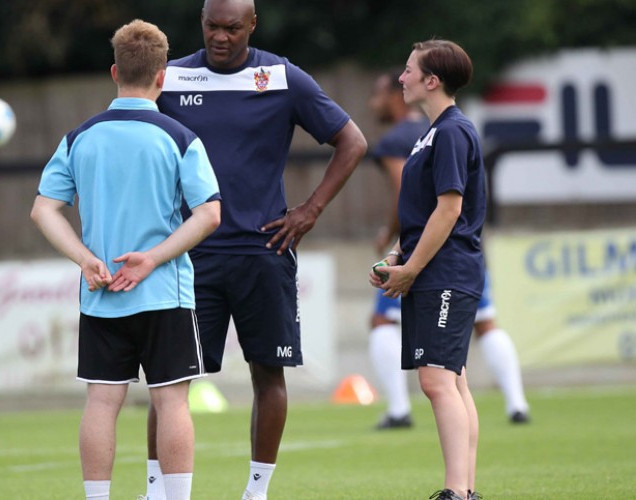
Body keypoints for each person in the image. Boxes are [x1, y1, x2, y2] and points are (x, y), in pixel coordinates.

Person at [154, 1, 367, 499]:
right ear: (201, 22)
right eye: (212, 26)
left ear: (252, 25)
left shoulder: (282, 78)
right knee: (170, 383)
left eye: (232, 28)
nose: (220, 37)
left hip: (262, 251)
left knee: (268, 374)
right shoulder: (174, 80)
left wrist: (310, 209)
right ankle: (157, 491)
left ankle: (256, 492)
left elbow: (352, 141)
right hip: (190, 255)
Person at [30, 19, 221, 500]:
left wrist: (84, 259)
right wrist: (153, 259)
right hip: (164, 292)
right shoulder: (180, 138)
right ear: (162, 76)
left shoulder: (79, 138)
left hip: (101, 296)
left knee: (101, 401)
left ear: (114, 71)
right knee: (173, 401)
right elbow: (210, 214)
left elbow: (43, 210)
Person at [366, 70, 530, 430]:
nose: (374, 100)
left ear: (430, 81)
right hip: (463, 252)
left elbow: (415, 202)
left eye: (380, 92)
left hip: (439, 260)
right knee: (479, 335)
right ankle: (516, 403)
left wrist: (396, 247)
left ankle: (398, 410)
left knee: (389, 330)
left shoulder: (420, 135)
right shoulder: (430, 130)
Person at [369, 40, 485, 500]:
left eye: (408, 70)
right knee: (452, 378)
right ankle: (466, 490)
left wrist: (413, 268)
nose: (402, 78)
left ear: (431, 80)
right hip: (434, 271)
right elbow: (421, 212)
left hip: (447, 273)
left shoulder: (453, 131)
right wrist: (398, 255)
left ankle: (456, 492)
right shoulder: (430, 133)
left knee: (437, 379)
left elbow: (450, 209)